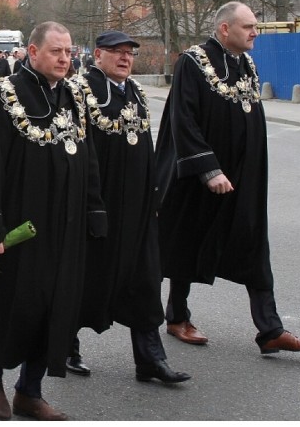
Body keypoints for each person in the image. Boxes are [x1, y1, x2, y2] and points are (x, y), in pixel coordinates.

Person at [0, 22, 106, 421]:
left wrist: (95, 209)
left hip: (67, 223)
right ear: (33, 52)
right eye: (56, 51)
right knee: (15, 304)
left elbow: (87, 156)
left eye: (69, 52)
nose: (64, 59)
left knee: (56, 307)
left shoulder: (74, 95)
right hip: (20, 224)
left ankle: (30, 390)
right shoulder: (3, 95)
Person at [155, 1, 300, 355]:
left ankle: (270, 329)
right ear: (225, 29)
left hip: (242, 176)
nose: (255, 32)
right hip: (201, 177)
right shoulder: (193, 62)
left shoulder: (245, 63)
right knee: (188, 243)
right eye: (248, 27)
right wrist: (208, 169)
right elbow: (182, 120)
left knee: (253, 245)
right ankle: (177, 316)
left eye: (255, 26)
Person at [68, 30, 190, 384]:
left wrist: (155, 196)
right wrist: (90, 204)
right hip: (101, 205)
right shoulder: (81, 90)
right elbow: (79, 152)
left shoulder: (135, 90)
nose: (125, 59)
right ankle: (65, 346)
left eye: (129, 54)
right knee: (89, 279)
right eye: (117, 52)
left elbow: (147, 146)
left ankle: (150, 358)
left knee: (145, 279)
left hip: (137, 206)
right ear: (98, 54)